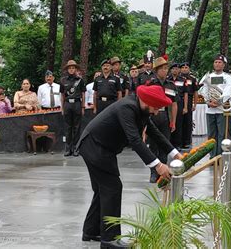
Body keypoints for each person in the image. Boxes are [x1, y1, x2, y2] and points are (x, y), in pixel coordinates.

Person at [77, 84, 181, 247]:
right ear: (146, 102)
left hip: (101, 148)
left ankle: (91, 231)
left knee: (102, 189)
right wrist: (158, 165)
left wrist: (175, 154)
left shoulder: (142, 109)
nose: (155, 112)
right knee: (112, 188)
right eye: (155, 108)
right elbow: (135, 140)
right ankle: (110, 239)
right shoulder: (127, 107)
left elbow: (155, 134)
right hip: (94, 147)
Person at [146, 57, 178, 183]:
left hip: (165, 116)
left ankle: (164, 172)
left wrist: (173, 121)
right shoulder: (151, 83)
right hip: (153, 116)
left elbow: (174, 104)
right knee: (153, 145)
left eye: (166, 69)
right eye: (163, 69)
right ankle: (154, 172)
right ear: (157, 70)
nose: (165, 71)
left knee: (165, 144)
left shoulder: (171, 85)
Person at [198, 54, 231, 158]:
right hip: (210, 110)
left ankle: (220, 155)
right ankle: (212, 155)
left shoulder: (227, 77)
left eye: (220, 62)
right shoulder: (209, 76)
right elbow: (204, 90)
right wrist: (208, 101)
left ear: (224, 65)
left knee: (222, 134)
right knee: (211, 134)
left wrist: (218, 101)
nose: (217, 64)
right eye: (216, 62)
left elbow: (228, 91)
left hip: (221, 109)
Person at [60, 60, 86, 157]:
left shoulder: (80, 80)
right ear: (67, 69)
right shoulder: (63, 80)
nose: (71, 69)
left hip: (77, 104)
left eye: (73, 68)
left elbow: (83, 94)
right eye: (69, 68)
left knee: (77, 127)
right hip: (67, 104)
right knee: (68, 127)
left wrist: (83, 107)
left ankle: (76, 148)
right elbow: (62, 95)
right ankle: (68, 148)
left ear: (75, 69)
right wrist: (62, 108)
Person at [168, 62, 188, 149]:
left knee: (178, 123)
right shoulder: (168, 79)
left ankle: (178, 144)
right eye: (173, 69)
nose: (175, 70)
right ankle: (169, 143)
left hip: (179, 102)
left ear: (179, 70)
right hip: (168, 102)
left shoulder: (183, 80)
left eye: (176, 69)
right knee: (169, 122)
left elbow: (186, 94)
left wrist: (185, 107)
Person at [179, 62, 198, 149]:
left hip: (189, 100)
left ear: (189, 69)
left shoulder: (192, 79)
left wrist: (195, 104)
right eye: (182, 67)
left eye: (186, 67)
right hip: (179, 100)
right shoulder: (177, 78)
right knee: (179, 121)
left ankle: (187, 141)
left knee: (188, 121)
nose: (184, 69)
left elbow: (195, 92)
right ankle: (179, 141)